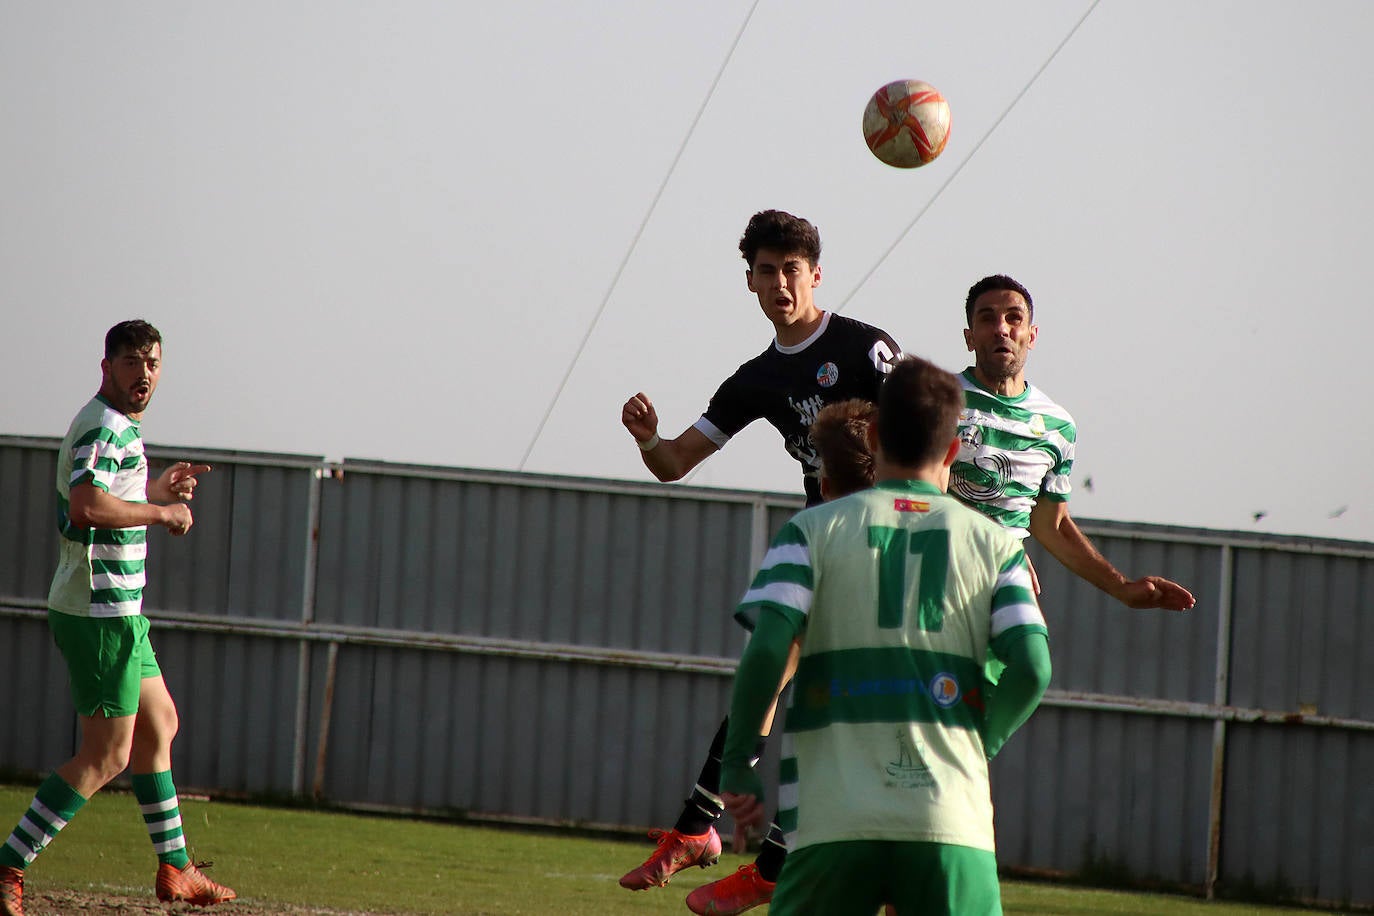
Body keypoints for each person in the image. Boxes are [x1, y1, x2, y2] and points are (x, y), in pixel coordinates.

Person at [617, 210, 900, 911]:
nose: (781, 282)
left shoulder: (868, 350)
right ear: (749, 280)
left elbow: (927, 444)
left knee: (847, 710)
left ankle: (752, 853)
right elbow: (676, 463)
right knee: (771, 675)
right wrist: (650, 439)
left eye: (792, 269)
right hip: (823, 541)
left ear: (816, 275)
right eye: (767, 270)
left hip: (891, 546)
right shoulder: (757, 379)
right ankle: (707, 835)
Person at [719, 354, 1053, 916]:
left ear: (872, 438)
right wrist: (980, 743)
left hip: (831, 823)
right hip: (950, 822)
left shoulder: (812, 531)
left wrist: (735, 765)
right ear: (952, 451)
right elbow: (1034, 668)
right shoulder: (996, 546)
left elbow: (770, 647)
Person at [0, 321, 234, 916]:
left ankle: (177, 868)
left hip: (119, 609)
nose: (144, 372)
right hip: (98, 610)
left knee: (161, 726)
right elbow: (83, 507)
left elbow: (101, 496)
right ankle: (8, 866)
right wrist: (161, 510)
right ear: (106, 366)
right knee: (107, 755)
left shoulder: (118, 426)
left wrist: (151, 486)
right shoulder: (104, 424)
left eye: (152, 362)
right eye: (131, 361)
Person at [952, 275, 1195, 612]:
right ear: (969, 337)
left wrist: (1123, 587)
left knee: (1033, 667)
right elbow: (912, 492)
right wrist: (995, 547)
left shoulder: (1058, 426)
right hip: (936, 579)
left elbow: (1051, 524)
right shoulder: (939, 402)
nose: (1001, 329)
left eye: (1014, 318)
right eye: (987, 318)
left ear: (1032, 335)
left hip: (1004, 591)